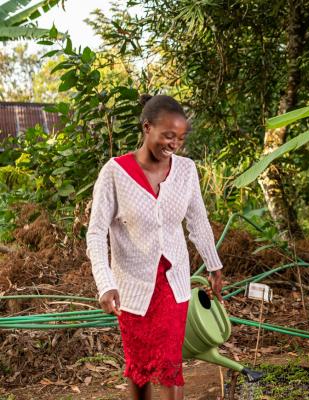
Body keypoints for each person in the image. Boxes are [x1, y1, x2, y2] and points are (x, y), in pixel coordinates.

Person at [86, 94, 224, 400]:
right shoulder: (114, 173)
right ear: (147, 127)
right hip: (132, 288)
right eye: (168, 135)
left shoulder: (186, 171)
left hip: (173, 284)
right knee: (139, 367)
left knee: (169, 364)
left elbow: (198, 222)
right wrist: (105, 284)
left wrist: (214, 266)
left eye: (181, 138)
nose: (174, 144)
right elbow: (96, 233)